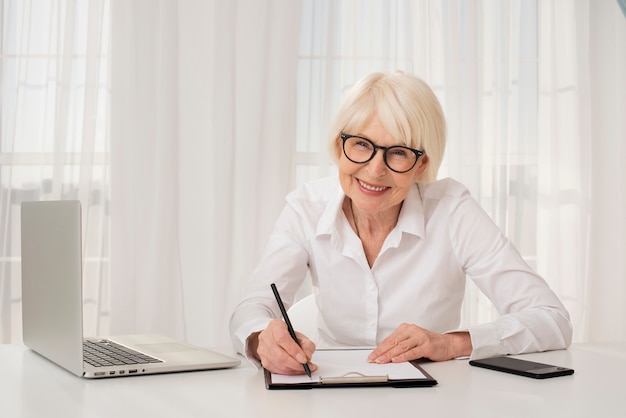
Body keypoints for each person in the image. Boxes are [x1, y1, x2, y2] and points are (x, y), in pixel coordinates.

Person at [229, 71, 572, 375]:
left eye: (398, 152)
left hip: (432, 398)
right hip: (330, 395)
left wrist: (451, 344)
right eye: (362, 145)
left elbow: (552, 319)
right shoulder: (306, 207)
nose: (375, 170)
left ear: (421, 165)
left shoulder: (453, 211)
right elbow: (252, 308)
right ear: (339, 146)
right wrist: (262, 339)